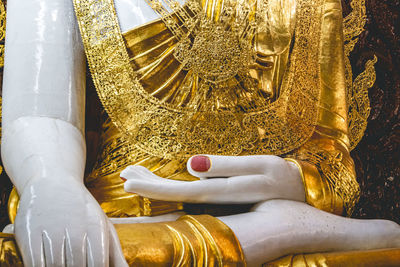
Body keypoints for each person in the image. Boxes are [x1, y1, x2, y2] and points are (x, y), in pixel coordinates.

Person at [0, 0, 399, 266]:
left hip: (267, 206)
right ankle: (277, 232)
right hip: (126, 216)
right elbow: (42, 117)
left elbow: (332, 161)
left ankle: (285, 228)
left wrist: (296, 181)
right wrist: (50, 183)